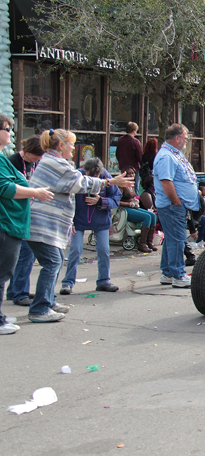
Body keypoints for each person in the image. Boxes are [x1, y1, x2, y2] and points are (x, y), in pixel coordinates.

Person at [27, 128, 132, 322]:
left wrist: (108, 185)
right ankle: (39, 308)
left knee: (56, 260)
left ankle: (48, 301)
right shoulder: (55, 163)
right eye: (71, 144)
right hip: (42, 223)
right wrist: (109, 182)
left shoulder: (55, 162)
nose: (73, 149)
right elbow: (80, 183)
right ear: (61, 145)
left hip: (48, 224)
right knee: (52, 263)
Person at [0, 114, 54, 334]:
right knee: (2, 273)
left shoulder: (3, 157)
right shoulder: (7, 159)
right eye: (7, 128)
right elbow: (6, 188)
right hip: (6, 223)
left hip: (12, 223)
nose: (11, 133)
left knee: (5, 272)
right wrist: (35, 192)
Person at [60, 158, 122, 295]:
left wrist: (101, 201)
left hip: (100, 219)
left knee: (104, 250)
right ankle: (68, 282)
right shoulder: (76, 175)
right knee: (75, 250)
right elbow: (67, 199)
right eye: (90, 176)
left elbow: (116, 198)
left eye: (97, 177)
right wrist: (69, 221)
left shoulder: (106, 177)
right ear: (85, 170)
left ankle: (104, 280)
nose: (94, 180)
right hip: (79, 219)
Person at [153, 123, 200, 289]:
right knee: (178, 240)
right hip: (171, 206)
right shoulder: (166, 156)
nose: (187, 141)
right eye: (185, 138)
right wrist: (176, 201)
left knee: (171, 239)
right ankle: (178, 274)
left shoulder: (174, 153)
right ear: (177, 138)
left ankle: (167, 272)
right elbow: (166, 182)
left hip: (174, 205)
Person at [5, 135, 44, 307]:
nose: (39, 159)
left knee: (23, 255)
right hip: (15, 214)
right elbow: (10, 188)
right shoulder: (12, 162)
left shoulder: (34, 163)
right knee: (24, 255)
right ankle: (19, 292)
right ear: (27, 152)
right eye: (37, 156)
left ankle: (15, 290)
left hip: (26, 212)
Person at [119, 167, 159, 252]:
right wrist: (129, 204)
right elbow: (116, 201)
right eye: (128, 173)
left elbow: (132, 197)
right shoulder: (121, 186)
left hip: (133, 207)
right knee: (147, 217)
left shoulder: (132, 185)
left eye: (133, 173)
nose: (131, 175)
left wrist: (135, 201)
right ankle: (142, 244)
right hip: (124, 209)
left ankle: (149, 242)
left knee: (152, 215)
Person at [116, 122, 143, 192]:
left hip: (123, 167)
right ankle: (133, 200)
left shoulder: (121, 140)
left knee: (123, 186)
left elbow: (117, 153)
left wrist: (121, 162)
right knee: (134, 187)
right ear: (134, 131)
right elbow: (140, 156)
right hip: (133, 168)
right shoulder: (135, 142)